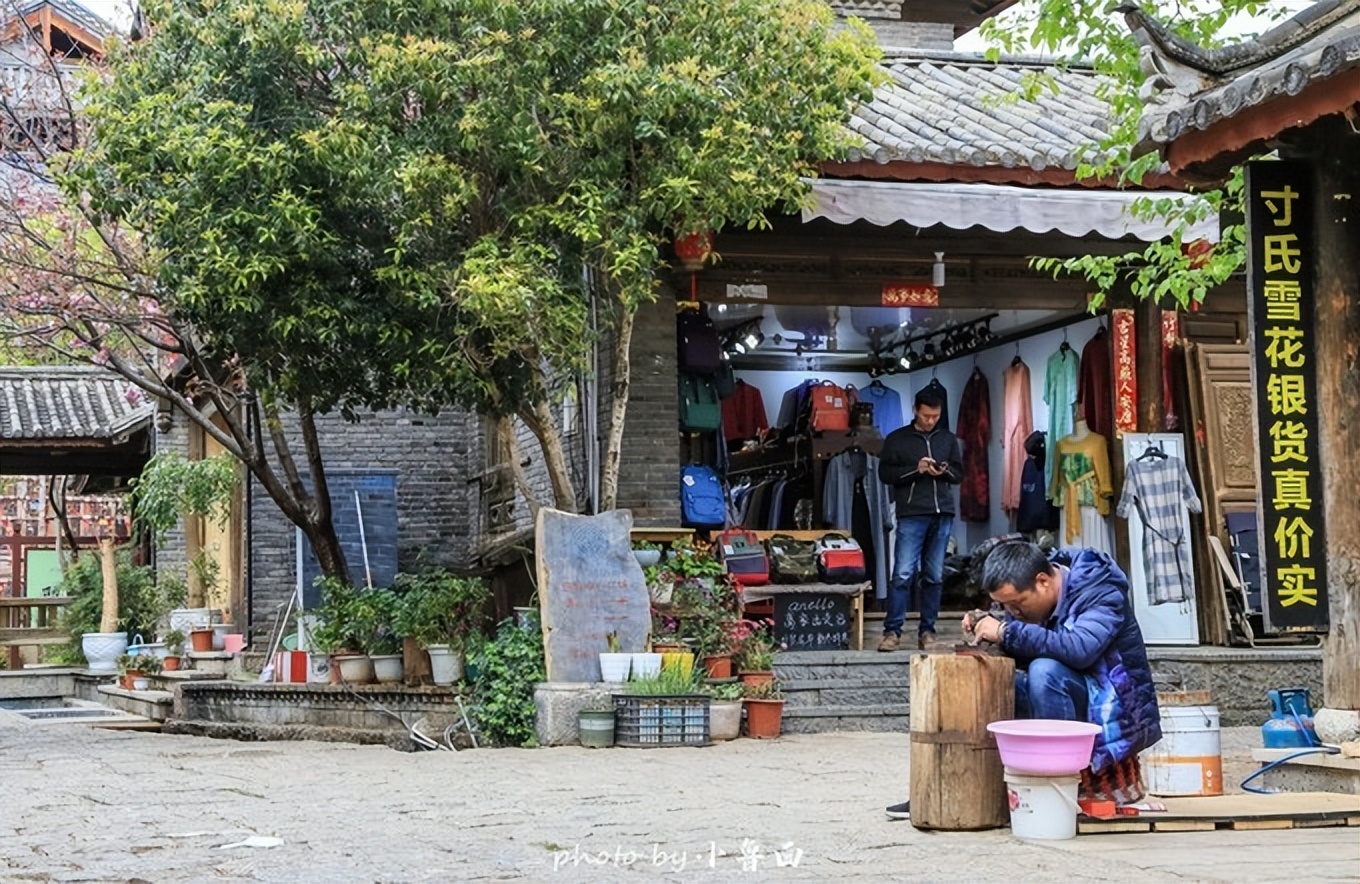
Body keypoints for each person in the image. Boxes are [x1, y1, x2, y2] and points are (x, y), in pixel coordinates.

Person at [886, 540, 1161, 821]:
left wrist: (1006, 631)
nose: (1013, 612)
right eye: (1004, 605)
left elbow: (1080, 650)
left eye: (1016, 603)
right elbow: (1029, 645)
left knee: (1045, 672)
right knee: (985, 678)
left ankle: (1056, 787)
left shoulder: (1099, 589)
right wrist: (987, 626)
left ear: (1042, 581)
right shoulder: (1030, 599)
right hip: (1066, 696)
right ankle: (948, 786)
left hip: (1112, 708)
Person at [876, 387, 964, 652]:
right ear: (916, 410)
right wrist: (917, 470)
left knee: (934, 576)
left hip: (942, 512)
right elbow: (886, 474)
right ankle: (892, 631)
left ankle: (928, 630)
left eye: (935, 416)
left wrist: (943, 471)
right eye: (926, 415)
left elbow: (959, 474)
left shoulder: (948, 439)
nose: (930, 421)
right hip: (912, 512)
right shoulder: (897, 439)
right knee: (902, 573)